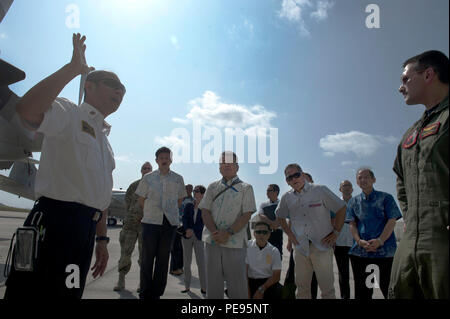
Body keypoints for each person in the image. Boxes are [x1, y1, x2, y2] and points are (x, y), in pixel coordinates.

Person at [4, 34, 125, 299]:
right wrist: (73, 69)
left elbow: (100, 199)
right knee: (28, 294)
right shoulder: (69, 113)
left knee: (68, 294)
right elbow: (26, 110)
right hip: (53, 225)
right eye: (113, 84)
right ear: (89, 86)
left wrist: (101, 241)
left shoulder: (106, 145)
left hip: (83, 233)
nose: (120, 91)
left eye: (123, 90)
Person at [389, 50, 449, 299]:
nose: (400, 88)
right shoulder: (410, 135)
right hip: (410, 240)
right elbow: (401, 180)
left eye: (405, 79)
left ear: (428, 74)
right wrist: (412, 215)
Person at [276, 164, 346, 299]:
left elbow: (341, 208)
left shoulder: (320, 190)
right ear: (287, 181)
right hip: (300, 248)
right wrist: (290, 235)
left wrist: (336, 233)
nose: (294, 179)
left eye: (296, 175)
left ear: (302, 175)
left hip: (322, 247)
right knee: (302, 289)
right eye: (289, 177)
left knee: (327, 289)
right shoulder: (287, 197)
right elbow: (280, 216)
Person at [199, 151, 257, 299]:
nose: (227, 165)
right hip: (211, 241)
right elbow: (205, 210)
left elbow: (246, 214)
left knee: (237, 286)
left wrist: (228, 233)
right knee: (213, 284)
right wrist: (214, 232)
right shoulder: (212, 187)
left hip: (235, 242)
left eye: (230, 162)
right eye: (223, 162)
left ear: (237, 167)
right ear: (219, 167)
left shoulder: (246, 188)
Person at [135, 147, 186, 299]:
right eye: (161, 157)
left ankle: (157, 293)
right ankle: (145, 292)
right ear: (157, 160)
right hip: (151, 222)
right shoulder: (148, 178)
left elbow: (180, 199)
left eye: (167, 157)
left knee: (163, 260)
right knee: (147, 258)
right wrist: (150, 211)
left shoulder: (178, 178)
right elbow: (141, 198)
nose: (164, 159)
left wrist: (168, 211)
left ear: (171, 160)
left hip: (169, 223)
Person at [346, 168, 402, 299]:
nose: (363, 180)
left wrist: (380, 241)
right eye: (360, 178)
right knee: (362, 291)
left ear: (374, 180)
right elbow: (352, 224)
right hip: (361, 253)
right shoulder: (353, 202)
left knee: (389, 289)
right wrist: (359, 241)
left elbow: (392, 221)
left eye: (366, 177)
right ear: (357, 182)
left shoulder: (386, 198)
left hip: (385, 253)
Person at [114, 162, 152, 292]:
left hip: (145, 225)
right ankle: (121, 280)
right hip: (130, 224)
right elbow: (127, 202)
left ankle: (142, 283)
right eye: (144, 168)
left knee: (144, 256)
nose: (146, 170)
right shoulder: (134, 185)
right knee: (125, 252)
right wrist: (132, 215)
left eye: (149, 168)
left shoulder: (155, 187)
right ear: (141, 170)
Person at [181, 185, 207, 295]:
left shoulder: (206, 207)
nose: (194, 192)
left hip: (199, 237)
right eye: (194, 191)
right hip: (187, 236)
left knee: (201, 263)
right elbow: (184, 218)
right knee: (186, 263)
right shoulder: (188, 205)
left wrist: (193, 229)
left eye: (196, 191)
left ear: (202, 194)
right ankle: (187, 287)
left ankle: (204, 288)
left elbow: (205, 222)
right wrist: (187, 229)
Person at [246, 221, 283, 300]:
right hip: (249, 281)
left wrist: (261, 289)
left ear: (269, 234)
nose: (261, 235)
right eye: (258, 232)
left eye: (264, 232)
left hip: (266, 282)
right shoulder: (247, 247)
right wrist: (247, 293)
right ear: (254, 234)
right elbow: (243, 272)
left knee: (281, 291)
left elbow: (276, 276)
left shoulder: (274, 251)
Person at [331, 180, 354, 299]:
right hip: (339, 244)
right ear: (340, 189)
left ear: (352, 189)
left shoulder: (357, 202)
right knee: (343, 274)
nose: (347, 187)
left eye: (349, 185)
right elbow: (331, 221)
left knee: (359, 274)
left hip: (356, 243)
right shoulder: (335, 203)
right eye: (344, 185)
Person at [170, 184, 193, 276]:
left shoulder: (193, 201)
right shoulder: (178, 199)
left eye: (190, 189)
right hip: (176, 225)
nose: (189, 190)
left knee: (183, 249)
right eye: (187, 189)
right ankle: (174, 268)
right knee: (175, 248)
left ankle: (180, 267)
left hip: (186, 228)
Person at [257, 184, 283, 257]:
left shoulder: (281, 203)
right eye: (267, 191)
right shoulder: (263, 204)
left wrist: (275, 225)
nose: (267, 192)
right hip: (265, 232)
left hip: (278, 233)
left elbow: (282, 216)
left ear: (276, 192)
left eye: (269, 190)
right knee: (265, 254)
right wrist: (272, 224)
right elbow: (261, 216)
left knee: (277, 254)